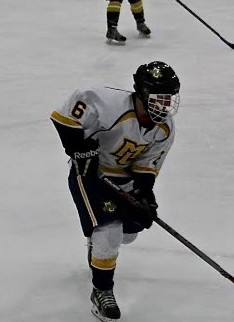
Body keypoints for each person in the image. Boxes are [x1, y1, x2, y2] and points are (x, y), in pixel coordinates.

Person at [50, 61, 180, 321]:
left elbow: (146, 164)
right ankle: (102, 292)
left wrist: (145, 195)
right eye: (158, 98)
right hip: (90, 175)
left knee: (128, 234)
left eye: (169, 98)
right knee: (108, 231)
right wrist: (78, 148)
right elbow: (64, 117)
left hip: (124, 179)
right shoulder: (106, 102)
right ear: (141, 93)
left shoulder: (165, 129)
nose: (164, 105)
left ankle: (97, 247)